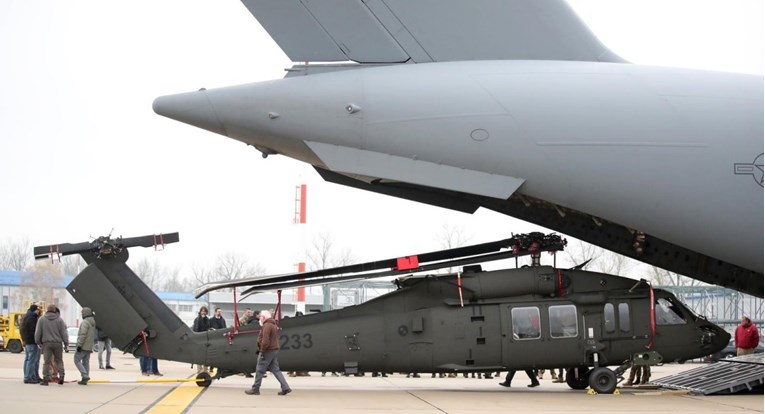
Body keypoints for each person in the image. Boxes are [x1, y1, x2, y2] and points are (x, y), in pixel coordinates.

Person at [245, 310, 291, 396]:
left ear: (264, 317)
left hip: (267, 351)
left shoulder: (266, 326)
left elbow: (265, 341)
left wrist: (262, 351)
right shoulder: (273, 325)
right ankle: (285, 387)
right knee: (276, 370)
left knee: (259, 370)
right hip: (273, 350)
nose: (260, 318)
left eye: (261, 316)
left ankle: (255, 389)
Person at [34, 304, 69, 385]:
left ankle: (45, 379)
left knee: (46, 362)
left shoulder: (41, 319)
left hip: (46, 343)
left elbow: (38, 332)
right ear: (54, 310)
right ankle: (61, 377)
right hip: (57, 343)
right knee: (59, 360)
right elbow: (64, 333)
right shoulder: (60, 320)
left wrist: (38, 342)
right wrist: (66, 343)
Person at [74, 307, 96, 385]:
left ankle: (84, 375)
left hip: (83, 346)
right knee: (86, 362)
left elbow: (83, 334)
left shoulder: (85, 322)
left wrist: (79, 345)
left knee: (76, 360)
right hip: (89, 346)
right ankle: (85, 378)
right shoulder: (93, 322)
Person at [20, 303, 42, 384]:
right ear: (35, 310)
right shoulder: (32, 318)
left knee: (27, 359)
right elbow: (34, 331)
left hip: (27, 341)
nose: (38, 312)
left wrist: (24, 340)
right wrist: (38, 340)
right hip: (32, 341)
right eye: (38, 310)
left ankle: (27, 376)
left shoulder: (25, 316)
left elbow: (22, 329)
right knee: (32, 360)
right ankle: (29, 377)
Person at [192, 306, 211, 373]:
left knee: (206, 355)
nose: (203, 312)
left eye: (204, 311)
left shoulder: (208, 320)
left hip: (205, 340)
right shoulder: (197, 319)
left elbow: (208, 328)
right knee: (199, 356)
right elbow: (195, 329)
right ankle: (199, 370)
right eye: (202, 311)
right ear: (200, 312)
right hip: (199, 339)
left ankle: (205, 369)